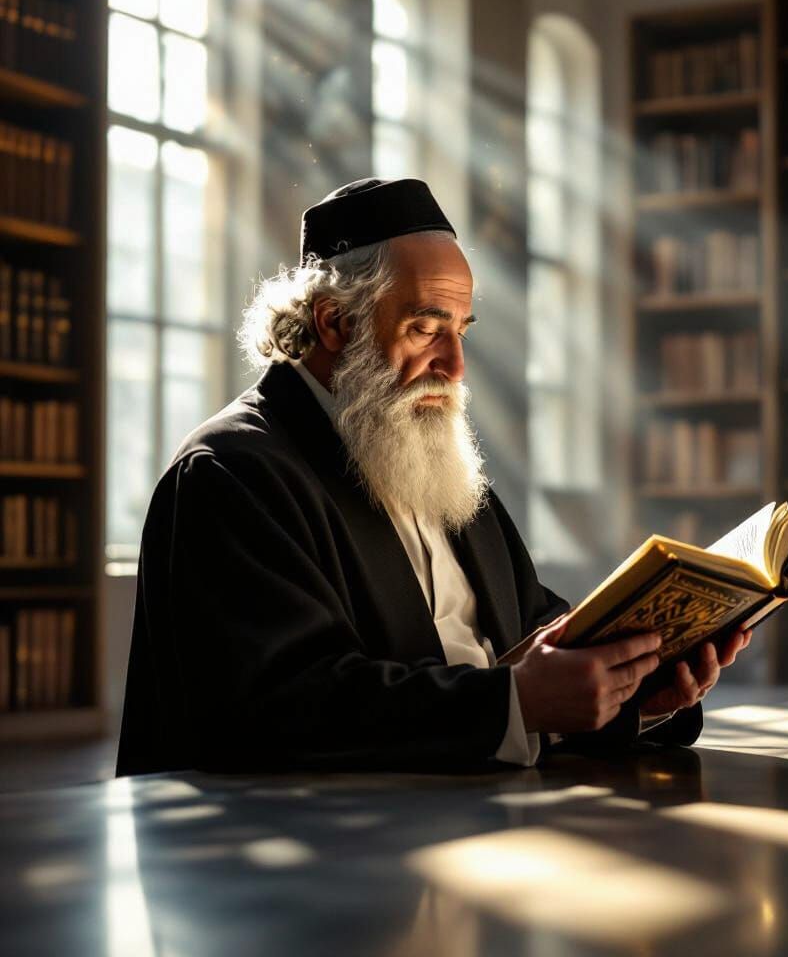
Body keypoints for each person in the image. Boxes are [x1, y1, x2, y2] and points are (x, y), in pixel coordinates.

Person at [116, 177, 750, 776]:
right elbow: (278, 706)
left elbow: (537, 635)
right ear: (335, 323)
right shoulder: (233, 472)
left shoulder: (430, 458)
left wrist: (638, 690)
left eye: (461, 330)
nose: (454, 365)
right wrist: (515, 703)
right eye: (425, 327)